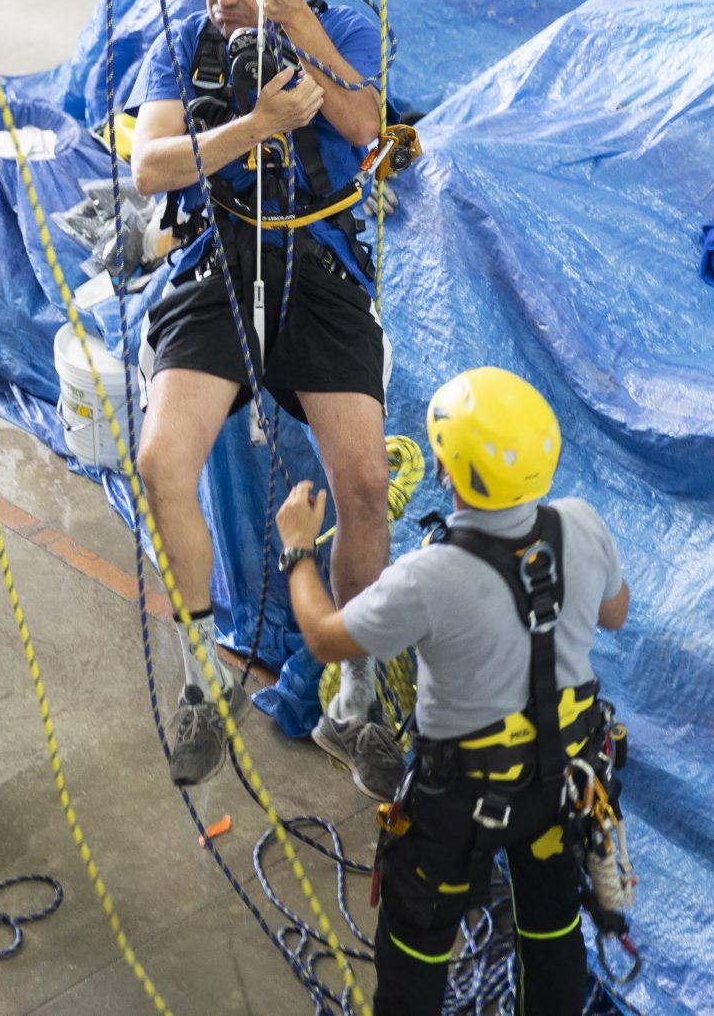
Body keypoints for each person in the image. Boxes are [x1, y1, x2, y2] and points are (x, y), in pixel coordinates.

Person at [127, 0, 394, 795]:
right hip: (220, 261)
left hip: (316, 267)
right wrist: (257, 124)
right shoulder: (183, 48)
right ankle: (202, 679)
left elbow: (364, 122)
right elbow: (150, 165)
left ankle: (353, 693)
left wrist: (301, 38)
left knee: (363, 482)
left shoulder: (341, 34)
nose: (224, 1)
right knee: (161, 463)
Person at [275, 367, 630, 1016]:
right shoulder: (582, 525)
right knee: (551, 933)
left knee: (416, 951)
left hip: (458, 803)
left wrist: (298, 550)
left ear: (448, 471)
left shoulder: (429, 577)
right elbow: (613, 614)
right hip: (560, 786)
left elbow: (327, 640)